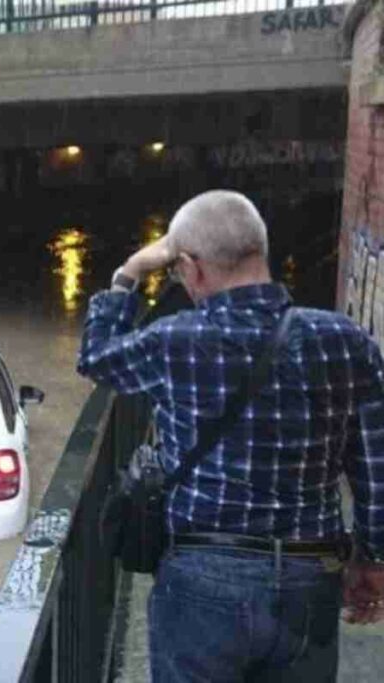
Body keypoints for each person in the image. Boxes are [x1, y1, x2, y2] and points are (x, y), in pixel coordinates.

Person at [77, 190, 384, 681]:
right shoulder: (344, 339)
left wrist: (129, 273)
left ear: (191, 268)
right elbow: (374, 466)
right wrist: (371, 559)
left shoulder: (174, 340)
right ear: (260, 250)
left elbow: (95, 358)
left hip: (202, 576)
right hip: (310, 575)